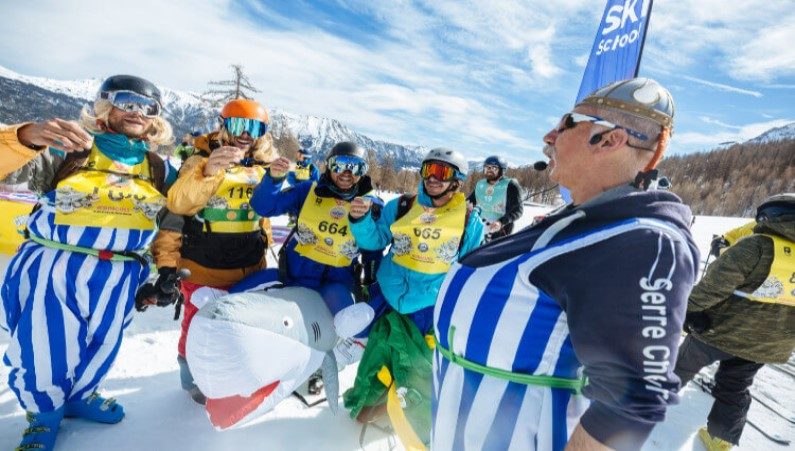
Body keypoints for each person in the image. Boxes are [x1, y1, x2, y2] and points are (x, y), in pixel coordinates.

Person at [430, 78, 700, 451]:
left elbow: (632, 400)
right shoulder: (586, 220)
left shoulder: (643, 242)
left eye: (565, 124)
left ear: (609, 139)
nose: (549, 136)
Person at [0, 75, 175, 451]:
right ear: (103, 106)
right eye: (127, 101)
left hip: (119, 275)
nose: (137, 112)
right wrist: (28, 136)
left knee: (103, 343)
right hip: (55, 268)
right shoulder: (71, 149)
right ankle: (43, 416)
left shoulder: (158, 168)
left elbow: (174, 220)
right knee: (44, 345)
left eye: (148, 107)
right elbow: (5, 167)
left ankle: (81, 395)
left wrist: (166, 270)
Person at [136, 98, 276, 404]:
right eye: (239, 125)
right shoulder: (200, 158)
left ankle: (229, 372)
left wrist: (266, 248)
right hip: (203, 264)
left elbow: (260, 218)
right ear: (223, 124)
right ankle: (193, 379)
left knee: (240, 326)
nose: (246, 134)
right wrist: (208, 170)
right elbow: (177, 207)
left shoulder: (261, 167)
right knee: (198, 324)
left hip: (248, 266)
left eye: (255, 127)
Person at [343, 148, 484, 447]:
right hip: (388, 295)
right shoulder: (404, 205)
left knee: (417, 366)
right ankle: (369, 403)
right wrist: (361, 221)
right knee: (379, 353)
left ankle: (418, 421)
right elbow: (376, 239)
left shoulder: (469, 221)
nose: (432, 178)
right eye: (428, 169)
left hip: (428, 306)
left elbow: (469, 269)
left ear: (456, 180)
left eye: (442, 172)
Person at [230, 141, 383, 364]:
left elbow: (374, 251)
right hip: (291, 276)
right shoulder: (307, 191)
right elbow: (264, 207)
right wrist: (273, 180)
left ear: (363, 173)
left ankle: (331, 361)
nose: (347, 173)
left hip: (334, 285)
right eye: (340, 165)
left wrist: (370, 285)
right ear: (329, 166)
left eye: (356, 167)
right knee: (237, 295)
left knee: (351, 323)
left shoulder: (369, 205)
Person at [675, 193, 795, 451]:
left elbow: (713, 287)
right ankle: (721, 439)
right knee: (736, 386)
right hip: (766, 345)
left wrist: (689, 310)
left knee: (680, 366)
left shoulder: (757, 245)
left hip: (718, 331)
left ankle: (646, 404)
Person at [467, 155, 523, 241]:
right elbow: (470, 201)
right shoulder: (481, 184)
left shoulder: (510, 185)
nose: (489, 171)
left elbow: (518, 210)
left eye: (494, 168)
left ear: (502, 170)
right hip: (479, 227)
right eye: (487, 168)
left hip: (499, 230)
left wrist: (501, 222)